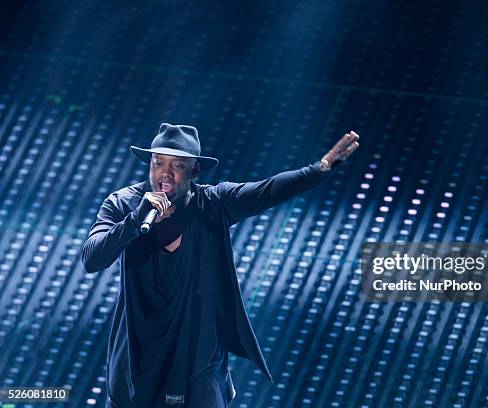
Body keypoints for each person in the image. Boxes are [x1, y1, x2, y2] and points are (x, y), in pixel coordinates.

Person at [80, 123, 359, 407]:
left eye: (177, 165)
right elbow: (92, 259)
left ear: (195, 170)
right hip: (139, 354)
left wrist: (318, 169)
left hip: (198, 355)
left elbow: (266, 191)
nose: (165, 172)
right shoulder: (125, 204)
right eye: (158, 163)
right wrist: (136, 219)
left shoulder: (214, 202)